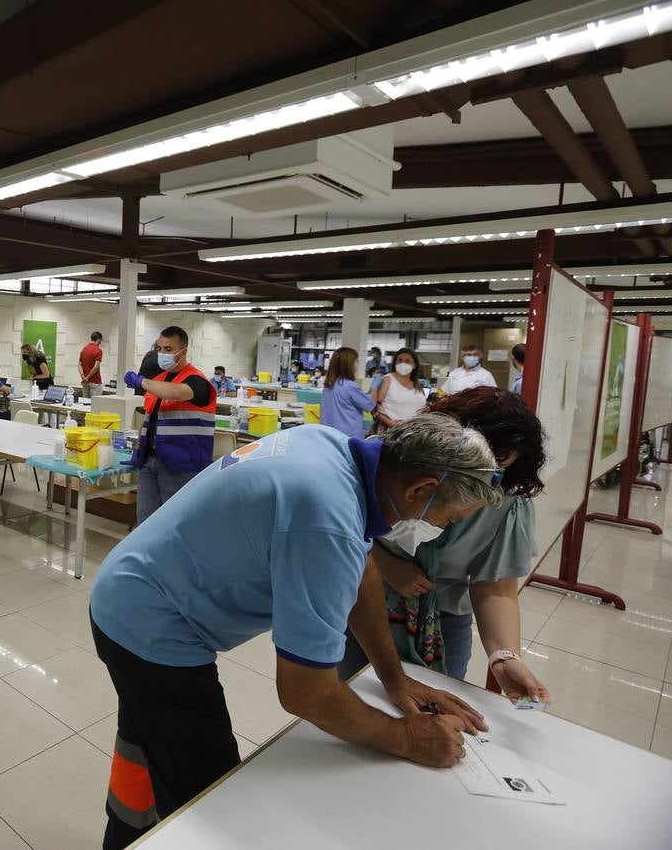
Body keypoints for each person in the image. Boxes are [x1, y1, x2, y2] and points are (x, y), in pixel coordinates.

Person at [89, 415, 499, 848]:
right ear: (420, 489)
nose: (443, 528)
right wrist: (407, 737)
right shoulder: (327, 515)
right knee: (209, 797)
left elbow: (360, 572)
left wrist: (393, 677)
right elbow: (306, 692)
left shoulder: (334, 451)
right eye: (448, 518)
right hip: (151, 624)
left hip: (131, 584)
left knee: (149, 737)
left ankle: (124, 836)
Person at [339, 388, 550, 705]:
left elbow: (496, 588)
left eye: (492, 467)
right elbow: (341, 528)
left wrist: (504, 656)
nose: (476, 478)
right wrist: (382, 562)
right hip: (364, 602)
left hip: (443, 616)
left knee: (439, 706)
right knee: (356, 699)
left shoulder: (506, 501)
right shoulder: (388, 460)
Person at [122, 326, 217, 523]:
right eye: (159, 348)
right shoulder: (159, 380)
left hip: (182, 465)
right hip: (150, 461)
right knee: (146, 520)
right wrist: (137, 447)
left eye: (168, 349)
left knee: (175, 522)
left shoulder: (198, 381)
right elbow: (151, 416)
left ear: (183, 352)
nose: (162, 353)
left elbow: (175, 393)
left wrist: (142, 382)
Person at [320, 347, 376, 440]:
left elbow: (359, 398)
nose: (357, 364)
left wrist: (369, 391)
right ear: (349, 365)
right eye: (356, 361)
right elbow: (370, 404)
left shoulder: (329, 386)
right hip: (347, 438)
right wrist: (375, 387)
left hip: (329, 437)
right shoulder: (350, 386)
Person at [373, 347, 426, 432]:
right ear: (395, 363)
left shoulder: (417, 384)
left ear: (414, 365)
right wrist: (391, 423)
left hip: (414, 433)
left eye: (407, 361)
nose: (403, 363)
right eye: (400, 360)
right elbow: (375, 408)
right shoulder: (387, 380)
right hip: (392, 432)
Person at [79, 331, 104, 399]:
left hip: (85, 382)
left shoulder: (84, 349)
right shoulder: (98, 350)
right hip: (95, 382)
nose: (100, 343)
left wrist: (83, 376)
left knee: (85, 403)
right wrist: (88, 377)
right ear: (98, 339)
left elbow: (79, 365)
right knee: (96, 404)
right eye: (100, 341)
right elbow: (96, 367)